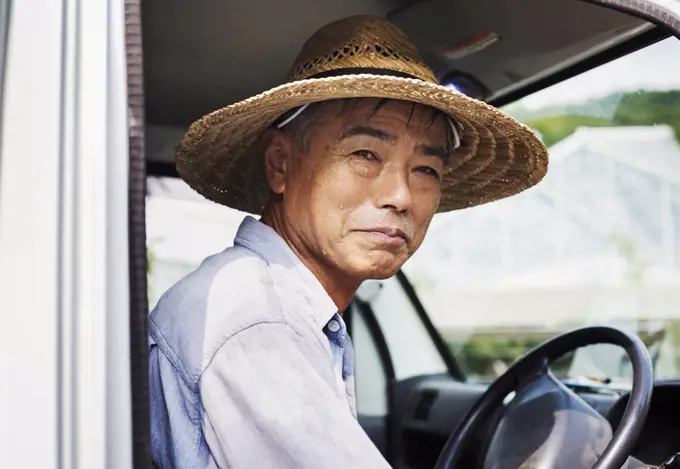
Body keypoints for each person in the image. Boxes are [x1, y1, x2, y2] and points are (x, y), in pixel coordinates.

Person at [148, 14, 548, 469]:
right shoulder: (257, 318)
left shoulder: (277, 305)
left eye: (425, 170)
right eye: (364, 154)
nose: (400, 196)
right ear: (280, 163)